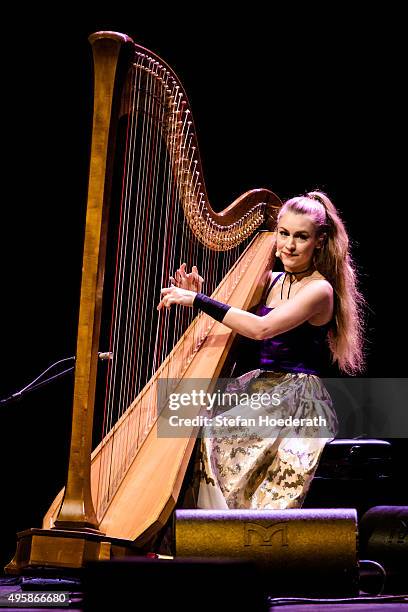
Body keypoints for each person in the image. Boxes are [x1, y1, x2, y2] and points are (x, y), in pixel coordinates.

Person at [157, 191, 365, 509]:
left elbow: (261, 329)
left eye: (301, 236)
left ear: (320, 241)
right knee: (188, 417)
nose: (289, 245)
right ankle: (203, 531)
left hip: (296, 396)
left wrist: (199, 301)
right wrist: (201, 295)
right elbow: (235, 318)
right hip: (260, 388)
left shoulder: (319, 290)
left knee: (214, 431)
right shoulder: (270, 280)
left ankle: (227, 530)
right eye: (283, 233)